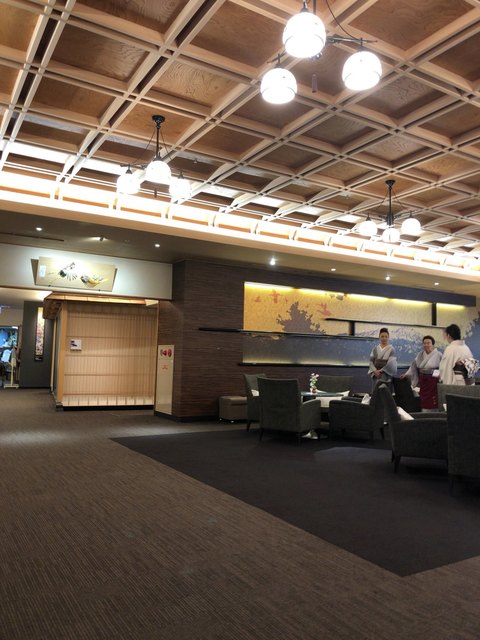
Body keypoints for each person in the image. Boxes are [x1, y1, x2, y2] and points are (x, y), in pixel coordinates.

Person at [400, 335, 442, 410]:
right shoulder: (420, 355)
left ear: (432, 344)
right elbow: (413, 366)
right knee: (423, 399)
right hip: (423, 381)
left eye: (428, 343)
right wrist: (406, 374)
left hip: (433, 381)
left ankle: (434, 413)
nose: (426, 345)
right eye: (424, 343)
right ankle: (423, 412)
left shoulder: (439, 355)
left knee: (433, 400)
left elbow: (443, 368)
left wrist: (440, 376)